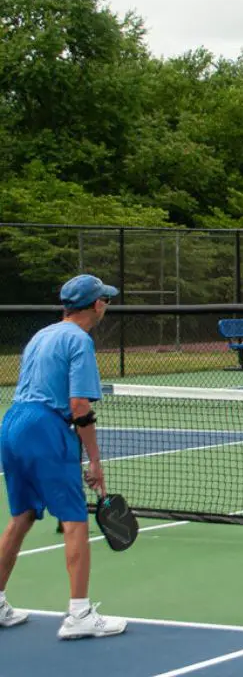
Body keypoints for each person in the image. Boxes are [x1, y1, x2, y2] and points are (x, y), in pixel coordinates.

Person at [0, 274, 128, 639]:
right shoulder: (79, 340)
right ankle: (80, 614)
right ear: (96, 305)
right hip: (45, 428)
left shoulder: (42, 335)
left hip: (12, 423)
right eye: (105, 299)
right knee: (74, 519)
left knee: (22, 516)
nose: (106, 304)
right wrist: (95, 461)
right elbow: (78, 405)